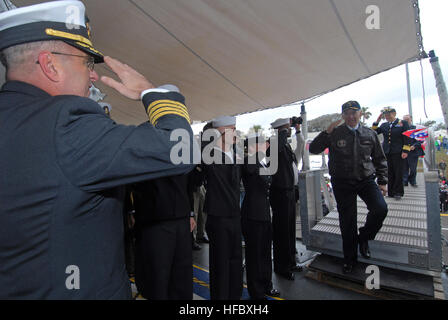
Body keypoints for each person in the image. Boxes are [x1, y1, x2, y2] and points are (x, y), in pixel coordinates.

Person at [0, 1, 195, 299]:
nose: (92, 76)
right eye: (86, 63)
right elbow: (179, 149)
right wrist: (154, 94)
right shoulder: (66, 122)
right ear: (50, 64)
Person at [310, 101, 388, 274]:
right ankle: (349, 259)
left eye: (354, 113)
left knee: (380, 208)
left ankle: (364, 237)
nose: (351, 116)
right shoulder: (335, 133)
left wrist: (382, 180)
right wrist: (326, 132)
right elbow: (314, 149)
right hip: (342, 182)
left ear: (360, 113)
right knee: (347, 221)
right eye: (347, 113)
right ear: (343, 116)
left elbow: (380, 159)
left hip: (365, 179)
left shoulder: (369, 134)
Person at [131, 173, 196, 300]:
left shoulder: (185, 153)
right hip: (154, 215)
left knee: (182, 279)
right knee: (158, 281)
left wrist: (190, 212)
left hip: (181, 215)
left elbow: (189, 177)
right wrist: (131, 208)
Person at [202, 116, 243, 300]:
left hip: (234, 215)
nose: (235, 132)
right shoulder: (209, 154)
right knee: (220, 266)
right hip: (218, 217)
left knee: (235, 263)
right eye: (231, 128)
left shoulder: (232, 153)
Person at [241, 133, 280, 300]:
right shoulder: (249, 161)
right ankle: (256, 292)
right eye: (263, 143)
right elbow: (249, 170)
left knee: (265, 253)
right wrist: (254, 151)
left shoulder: (265, 162)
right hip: (252, 214)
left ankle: (266, 285)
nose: (267, 145)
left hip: (264, 213)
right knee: (254, 256)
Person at [269, 118, 302, 281]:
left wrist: (295, 130)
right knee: (281, 232)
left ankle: (290, 262)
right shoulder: (274, 143)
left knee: (290, 230)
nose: (288, 130)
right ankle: (282, 267)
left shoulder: (284, 144)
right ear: (280, 130)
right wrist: (281, 132)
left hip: (289, 192)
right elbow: (276, 149)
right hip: (280, 194)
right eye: (286, 129)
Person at [372, 107, 411, 200]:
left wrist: (405, 150)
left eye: (389, 114)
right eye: (385, 115)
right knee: (389, 172)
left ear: (394, 114)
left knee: (398, 172)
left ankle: (398, 192)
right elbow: (374, 131)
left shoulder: (402, 123)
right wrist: (377, 121)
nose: (387, 116)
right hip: (387, 151)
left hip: (398, 151)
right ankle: (391, 191)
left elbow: (407, 137)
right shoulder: (384, 125)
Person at [402, 115, 425, 187]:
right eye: (404, 120)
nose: (406, 121)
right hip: (404, 150)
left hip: (413, 151)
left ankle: (412, 181)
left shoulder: (415, 128)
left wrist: (414, 146)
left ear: (411, 119)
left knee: (413, 168)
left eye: (407, 119)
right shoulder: (401, 129)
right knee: (404, 167)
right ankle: (404, 181)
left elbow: (420, 140)